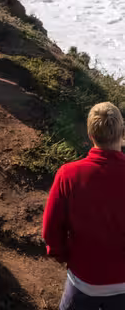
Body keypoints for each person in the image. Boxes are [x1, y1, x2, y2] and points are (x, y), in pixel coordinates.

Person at [43, 102, 125, 308]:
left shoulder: (68, 175)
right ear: (122, 133)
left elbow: (51, 229)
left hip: (82, 279)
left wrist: (63, 255)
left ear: (90, 135)